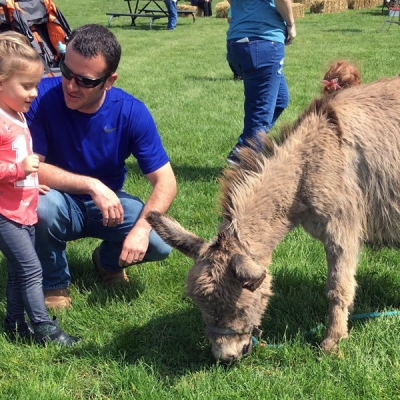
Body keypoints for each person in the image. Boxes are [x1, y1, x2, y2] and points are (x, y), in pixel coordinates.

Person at [26, 24, 177, 309]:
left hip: (108, 208)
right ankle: (54, 283)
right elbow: (32, 168)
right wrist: (92, 185)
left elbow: (166, 181)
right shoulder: (41, 98)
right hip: (57, 198)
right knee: (40, 207)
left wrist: (141, 230)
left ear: (109, 80)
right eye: (66, 72)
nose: (70, 86)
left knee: (160, 241)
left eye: (85, 81)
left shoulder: (131, 111)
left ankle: (107, 262)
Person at [0, 31, 79, 345]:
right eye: (26, 86)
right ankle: (44, 329)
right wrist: (21, 169)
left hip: (24, 209)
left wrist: (32, 183)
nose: (34, 93)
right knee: (32, 270)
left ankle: (14, 324)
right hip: (5, 214)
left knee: (20, 272)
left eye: (36, 85)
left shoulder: (16, 114)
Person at [226, 0, 296, 165]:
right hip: (263, 42)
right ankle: (244, 159)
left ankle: (245, 148)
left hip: (237, 42)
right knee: (260, 112)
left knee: (280, 100)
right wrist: (291, 24)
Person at [227, 4, 241, 80]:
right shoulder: (234, 5)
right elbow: (229, 19)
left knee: (232, 56)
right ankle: (238, 74)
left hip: (236, 33)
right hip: (234, 33)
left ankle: (239, 74)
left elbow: (229, 19)